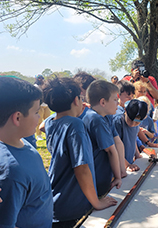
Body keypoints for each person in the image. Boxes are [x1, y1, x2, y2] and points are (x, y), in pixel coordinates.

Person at [42, 77, 116, 227]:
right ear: (77, 100)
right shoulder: (75, 125)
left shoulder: (51, 122)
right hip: (72, 205)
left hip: (56, 198)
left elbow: (42, 126)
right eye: (81, 99)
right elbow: (82, 168)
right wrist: (97, 202)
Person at [0, 77, 53, 227]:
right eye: (36, 112)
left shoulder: (17, 142)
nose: (39, 117)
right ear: (17, 117)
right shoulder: (9, 171)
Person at [82, 80, 123, 196]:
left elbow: (118, 143)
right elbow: (110, 150)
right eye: (115, 100)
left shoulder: (101, 117)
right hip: (98, 176)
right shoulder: (97, 120)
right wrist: (118, 177)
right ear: (103, 102)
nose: (118, 103)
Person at [113, 99, 148, 165]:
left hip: (129, 161)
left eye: (137, 122)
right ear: (125, 111)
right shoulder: (117, 122)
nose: (132, 124)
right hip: (119, 164)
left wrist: (137, 154)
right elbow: (115, 149)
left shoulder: (136, 125)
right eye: (130, 120)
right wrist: (127, 164)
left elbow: (133, 139)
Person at [34, 74, 51, 140]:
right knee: (39, 120)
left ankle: (48, 134)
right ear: (36, 79)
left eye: (41, 78)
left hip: (46, 105)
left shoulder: (44, 86)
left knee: (48, 119)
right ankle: (39, 135)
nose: (41, 79)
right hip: (40, 105)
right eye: (39, 78)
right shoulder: (36, 86)